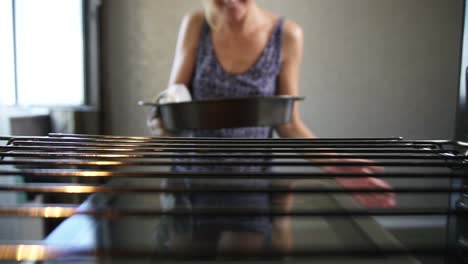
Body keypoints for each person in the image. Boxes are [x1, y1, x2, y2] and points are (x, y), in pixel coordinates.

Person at [149, 0, 395, 256]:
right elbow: (175, 101)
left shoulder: (286, 35)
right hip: (191, 179)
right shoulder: (196, 25)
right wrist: (163, 122)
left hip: (250, 183)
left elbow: (288, 124)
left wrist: (334, 162)